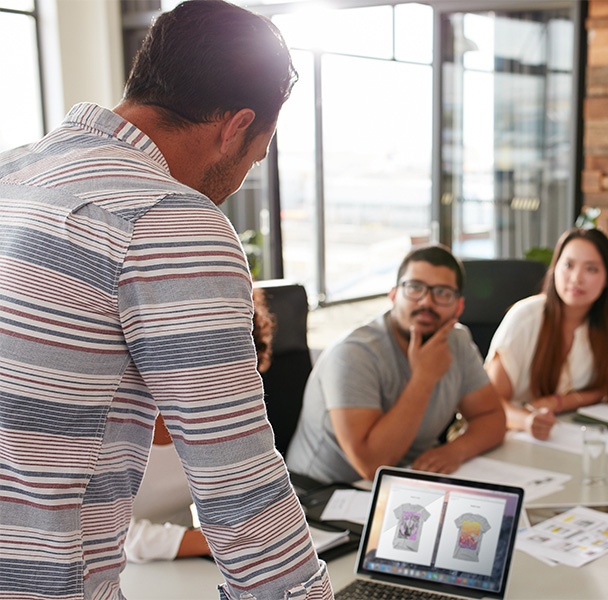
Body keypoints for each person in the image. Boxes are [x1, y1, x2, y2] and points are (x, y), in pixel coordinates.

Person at [0, 1, 332, 597]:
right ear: (235, 126)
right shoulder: (169, 221)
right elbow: (241, 494)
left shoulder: (12, 174)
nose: (241, 179)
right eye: (256, 157)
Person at [286, 245, 506, 483]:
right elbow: (372, 465)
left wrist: (455, 451)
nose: (426, 302)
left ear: (459, 306)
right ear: (393, 295)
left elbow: (492, 417)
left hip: (405, 479)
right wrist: (424, 378)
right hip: (325, 494)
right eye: (414, 288)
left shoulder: (457, 340)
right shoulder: (352, 354)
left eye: (442, 293)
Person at [125, 288, 276, 563]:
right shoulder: (112, 415)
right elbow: (115, 536)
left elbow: (240, 496)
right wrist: (220, 540)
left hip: (188, 564)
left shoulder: (216, 405)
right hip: (120, 574)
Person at [485, 228, 608, 440]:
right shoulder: (525, 318)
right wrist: (527, 421)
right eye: (568, 265)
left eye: (591, 269)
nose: (576, 278)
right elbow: (488, 404)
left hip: (566, 434)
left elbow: (606, 388)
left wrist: (558, 403)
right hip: (509, 434)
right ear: (554, 269)